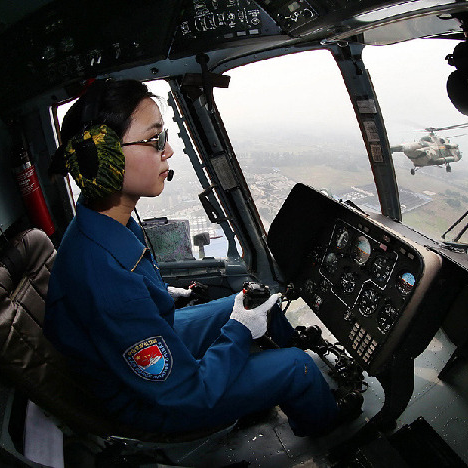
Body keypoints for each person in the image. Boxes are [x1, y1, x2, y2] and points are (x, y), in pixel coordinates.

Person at [45, 79, 358, 437]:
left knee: (259, 303)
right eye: (155, 139)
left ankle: (272, 384)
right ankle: (321, 417)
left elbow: (132, 302)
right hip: (151, 404)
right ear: (102, 158)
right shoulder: (104, 277)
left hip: (144, 350)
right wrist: (240, 330)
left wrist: (169, 296)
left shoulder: (102, 219)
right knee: (296, 366)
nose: (169, 151)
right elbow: (186, 393)